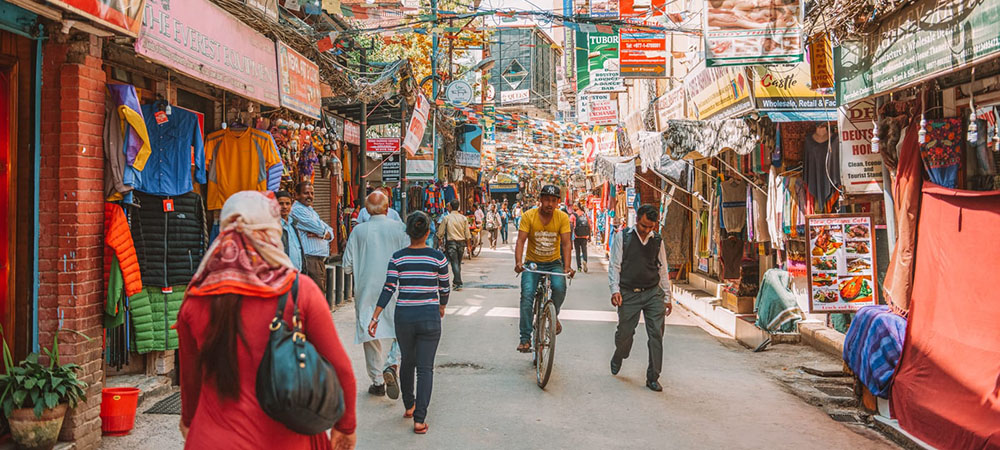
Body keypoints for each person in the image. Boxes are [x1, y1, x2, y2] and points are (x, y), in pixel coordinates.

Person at [177, 191, 357, 449]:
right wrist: (346, 427)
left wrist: (189, 421)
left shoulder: (196, 298)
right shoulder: (299, 290)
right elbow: (341, 369)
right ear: (272, 232)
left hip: (212, 439)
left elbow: (190, 381)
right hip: (288, 440)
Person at [368, 211, 448, 435]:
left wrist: (375, 316)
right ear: (428, 232)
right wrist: (442, 306)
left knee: (408, 362)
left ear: (408, 232)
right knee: (425, 369)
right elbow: (445, 287)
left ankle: (409, 406)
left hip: (404, 318)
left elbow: (388, 288)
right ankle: (420, 420)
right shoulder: (437, 257)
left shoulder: (398, 258)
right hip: (429, 317)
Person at [343, 191, 409, 398]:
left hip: (367, 290)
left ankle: (378, 382)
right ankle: (392, 364)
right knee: (400, 330)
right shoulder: (400, 229)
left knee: (369, 334)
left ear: (366, 211)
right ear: (388, 208)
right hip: (396, 288)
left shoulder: (358, 232)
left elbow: (346, 266)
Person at [608, 204, 672, 392]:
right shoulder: (623, 237)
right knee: (625, 333)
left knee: (656, 335)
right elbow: (614, 266)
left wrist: (667, 296)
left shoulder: (658, 241)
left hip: (653, 293)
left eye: (650, 227)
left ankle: (653, 377)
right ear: (637, 220)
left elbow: (663, 269)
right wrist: (615, 290)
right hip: (628, 293)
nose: (646, 231)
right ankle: (620, 354)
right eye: (644, 226)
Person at [513, 185, 575, 353]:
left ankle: (553, 315)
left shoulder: (562, 218)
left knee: (560, 287)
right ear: (540, 200)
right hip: (533, 263)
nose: (549, 203)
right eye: (546, 199)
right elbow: (520, 241)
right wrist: (519, 262)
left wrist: (567, 266)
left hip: (553, 262)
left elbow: (566, 243)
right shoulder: (528, 216)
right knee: (527, 296)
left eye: (553, 200)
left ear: (558, 202)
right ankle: (525, 338)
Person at [290, 181, 334, 295]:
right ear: (296, 195)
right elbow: (320, 229)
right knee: (315, 295)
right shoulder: (297, 210)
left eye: (312, 193)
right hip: (310, 259)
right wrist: (322, 233)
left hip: (316, 260)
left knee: (318, 294)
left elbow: (330, 231)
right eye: (306, 193)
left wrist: (323, 233)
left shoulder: (310, 210)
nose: (310, 196)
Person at [436, 200, 472, 291]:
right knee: (458, 263)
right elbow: (467, 234)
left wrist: (439, 241)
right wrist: (469, 246)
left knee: (455, 263)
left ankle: (457, 282)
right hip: (461, 243)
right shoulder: (463, 218)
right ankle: (457, 280)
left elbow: (440, 232)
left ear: (451, 207)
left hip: (451, 243)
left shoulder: (447, 218)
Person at [275, 190, 304, 271]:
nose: (285, 207)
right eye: (281, 204)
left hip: (298, 273)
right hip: (283, 274)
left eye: (287, 204)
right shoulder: (274, 226)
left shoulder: (294, 224)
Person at [570, 204, 592, 273]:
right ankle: (585, 260)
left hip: (576, 236)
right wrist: (589, 236)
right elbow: (589, 226)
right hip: (584, 236)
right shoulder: (585, 215)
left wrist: (570, 238)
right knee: (584, 250)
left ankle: (579, 267)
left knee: (577, 252)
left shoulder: (573, 215)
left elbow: (570, 226)